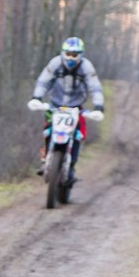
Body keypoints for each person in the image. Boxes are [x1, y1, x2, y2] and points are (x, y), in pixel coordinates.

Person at [27, 37, 104, 183]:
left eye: (74, 55)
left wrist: (98, 106)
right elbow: (43, 80)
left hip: (76, 107)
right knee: (47, 130)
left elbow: (95, 86)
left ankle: (72, 167)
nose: (71, 58)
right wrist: (37, 97)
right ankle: (45, 160)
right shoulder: (55, 63)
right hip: (55, 104)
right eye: (68, 54)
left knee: (78, 135)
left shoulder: (86, 67)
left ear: (80, 55)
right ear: (63, 52)